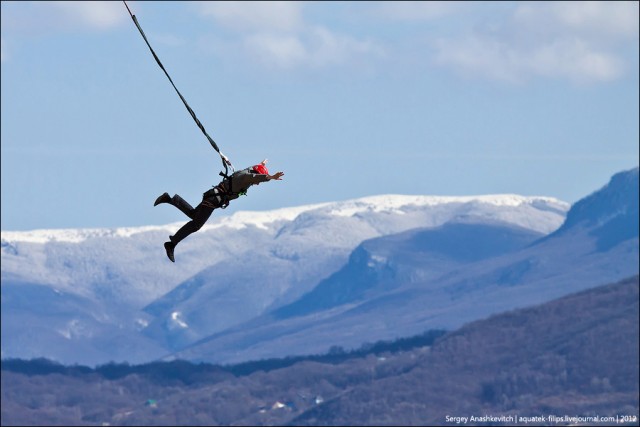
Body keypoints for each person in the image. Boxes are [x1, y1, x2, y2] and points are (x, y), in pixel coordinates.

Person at [154, 159, 284, 262]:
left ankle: (169, 199)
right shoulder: (246, 177)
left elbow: (253, 173)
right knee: (196, 225)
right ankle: (172, 243)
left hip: (213, 197)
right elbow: (255, 177)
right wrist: (270, 177)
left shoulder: (246, 175)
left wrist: (260, 165)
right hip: (213, 200)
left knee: (194, 215)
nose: (258, 184)